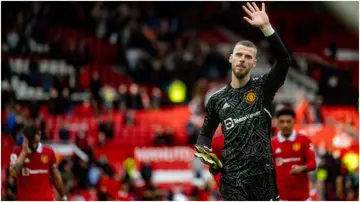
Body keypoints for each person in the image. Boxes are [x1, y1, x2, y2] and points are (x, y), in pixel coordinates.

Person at [194, 2, 291, 200]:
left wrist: (266, 28)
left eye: (248, 57)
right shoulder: (216, 100)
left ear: (254, 63)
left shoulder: (263, 88)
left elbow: (284, 60)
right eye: (238, 55)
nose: (242, 59)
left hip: (263, 180)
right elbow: (205, 135)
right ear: (230, 58)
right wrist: (204, 150)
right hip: (233, 182)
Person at [9, 124, 67, 201]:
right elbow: (13, 173)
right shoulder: (16, 153)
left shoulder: (48, 152)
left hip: (46, 199)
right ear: (25, 139)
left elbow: (56, 177)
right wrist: (24, 152)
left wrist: (63, 196)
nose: (35, 144)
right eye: (32, 141)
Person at [271, 108, 316, 200]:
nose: (285, 125)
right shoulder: (272, 143)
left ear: (294, 121)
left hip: (303, 197)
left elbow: (313, 164)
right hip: (281, 197)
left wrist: (302, 168)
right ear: (277, 123)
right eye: (282, 122)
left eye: (288, 121)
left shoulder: (304, 140)